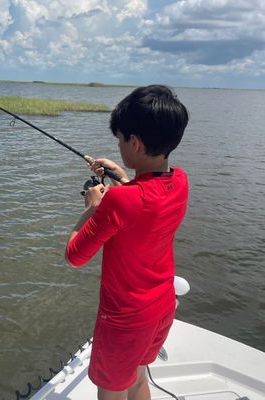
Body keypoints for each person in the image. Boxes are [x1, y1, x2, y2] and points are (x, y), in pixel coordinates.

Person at [65, 85, 189, 400]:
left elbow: (74, 255)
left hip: (124, 319)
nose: (119, 145)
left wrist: (92, 209)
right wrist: (122, 174)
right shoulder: (181, 181)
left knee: (111, 392)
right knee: (137, 381)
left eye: (121, 139)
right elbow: (146, 197)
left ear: (133, 142)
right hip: (160, 308)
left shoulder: (119, 201)